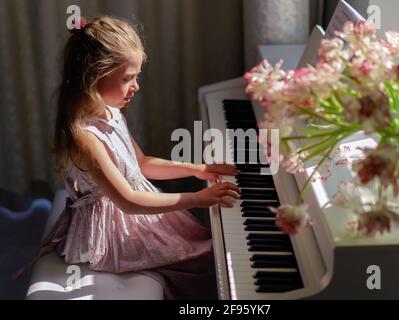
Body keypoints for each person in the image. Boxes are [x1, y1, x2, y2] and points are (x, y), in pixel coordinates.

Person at [18, 16, 241, 300]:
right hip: (108, 233)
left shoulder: (110, 111)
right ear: (93, 78)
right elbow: (128, 200)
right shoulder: (85, 139)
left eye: (135, 76)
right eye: (127, 78)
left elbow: (143, 164)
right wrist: (197, 198)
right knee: (208, 259)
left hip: (129, 212)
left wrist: (197, 169)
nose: (135, 86)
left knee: (208, 245)